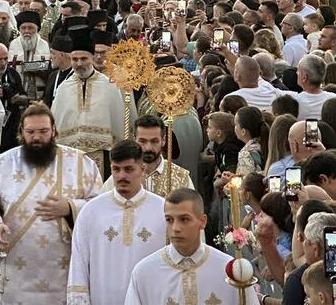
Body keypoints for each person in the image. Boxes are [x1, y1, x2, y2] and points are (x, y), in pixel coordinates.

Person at [0, 103, 101, 305]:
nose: (37, 138)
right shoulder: (2, 164)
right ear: (21, 132)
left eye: (43, 131)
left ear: (54, 131)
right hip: (18, 264)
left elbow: (99, 207)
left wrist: (70, 208)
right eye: (30, 132)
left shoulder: (80, 162)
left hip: (64, 265)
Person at [66, 140, 167, 305]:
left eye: (128, 169)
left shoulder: (162, 210)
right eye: (116, 169)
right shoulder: (91, 211)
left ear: (142, 169)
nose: (121, 176)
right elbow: (79, 263)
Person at [124, 187, 259, 305]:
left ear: (202, 221)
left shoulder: (230, 269)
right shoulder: (145, 272)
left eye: (184, 219)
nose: (175, 228)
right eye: (169, 220)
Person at [51, 29, 125, 176]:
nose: (79, 64)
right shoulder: (63, 88)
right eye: (75, 59)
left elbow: (119, 122)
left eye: (84, 59)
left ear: (92, 58)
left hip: (102, 155)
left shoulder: (109, 86)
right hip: (70, 156)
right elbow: (56, 121)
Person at [101, 114, 193, 195]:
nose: (148, 148)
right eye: (142, 141)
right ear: (134, 139)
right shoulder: (122, 175)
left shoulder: (181, 177)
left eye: (154, 141)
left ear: (164, 140)